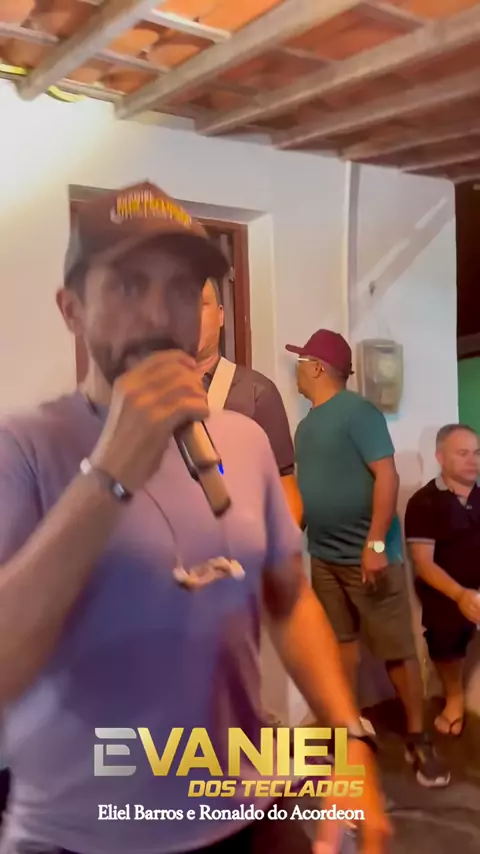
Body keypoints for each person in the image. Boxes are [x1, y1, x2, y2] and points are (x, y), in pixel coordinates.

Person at [0, 183, 388, 854]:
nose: (161, 313)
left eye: (183, 289)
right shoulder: (24, 449)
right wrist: (110, 471)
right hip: (82, 833)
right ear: (72, 309)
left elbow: (290, 601)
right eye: (129, 285)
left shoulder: (244, 439)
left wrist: (348, 738)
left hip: (240, 804)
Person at [287, 328, 450, 789]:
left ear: (317, 368)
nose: (297, 370)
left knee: (396, 650)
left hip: (368, 556)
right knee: (339, 645)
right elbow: (311, 490)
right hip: (324, 556)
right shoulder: (306, 426)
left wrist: (375, 544)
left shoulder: (359, 413)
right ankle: (348, 731)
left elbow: (387, 476)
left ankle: (418, 739)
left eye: (301, 362)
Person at [198, 279, 303, 525]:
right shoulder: (147, 399)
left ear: (221, 315)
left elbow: (286, 491)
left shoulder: (257, 393)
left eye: (201, 304)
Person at [405, 424, 480, 737]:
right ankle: (454, 699)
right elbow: (424, 564)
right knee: (444, 629)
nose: (472, 460)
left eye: (476, 453)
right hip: (447, 593)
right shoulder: (424, 502)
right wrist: (461, 595)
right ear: (440, 457)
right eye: (463, 453)